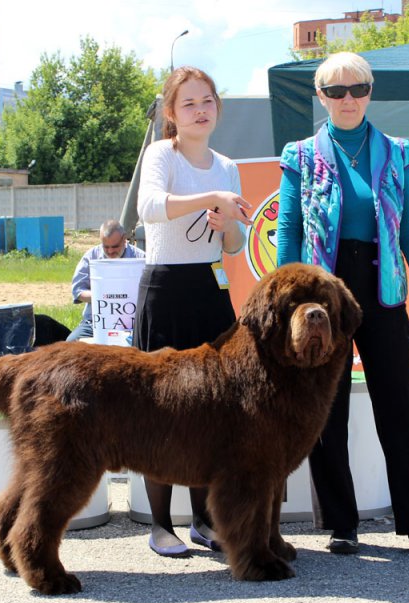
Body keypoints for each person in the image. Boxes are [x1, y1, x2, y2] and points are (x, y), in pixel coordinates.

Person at [276, 51, 409, 557]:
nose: (348, 99)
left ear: (371, 92)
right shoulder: (300, 155)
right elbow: (288, 227)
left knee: (399, 404)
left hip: (383, 288)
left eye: (358, 89)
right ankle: (341, 524)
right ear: (321, 96)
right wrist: (287, 298)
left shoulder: (397, 152)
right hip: (321, 295)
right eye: (336, 91)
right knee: (325, 409)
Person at [136, 66, 251, 558]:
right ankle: (161, 525)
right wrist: (211, 198)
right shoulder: (161, 153)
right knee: (159, 409)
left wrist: (227, 223)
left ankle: (204, 521)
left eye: (207, 101)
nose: (200, 110)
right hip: (164, 288)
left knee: (212, 407)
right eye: (189, 103)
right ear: (171, 112)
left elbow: (235, 245)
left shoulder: (227, 166)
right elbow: (148, 208)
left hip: (210, 288)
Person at [66, 220, 145, 342]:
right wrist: (102, 296)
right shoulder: (91, 256)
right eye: (105, 247)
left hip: (133, 324)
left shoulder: (140, 258)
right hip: (94, 323)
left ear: (124, 239)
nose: (110, 251)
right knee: (71, 344)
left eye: (115, 246)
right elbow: (78, 290)